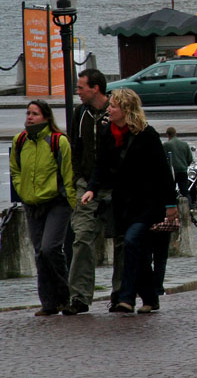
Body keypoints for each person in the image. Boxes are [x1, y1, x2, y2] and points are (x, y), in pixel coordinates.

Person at [82, 89, 178, 314]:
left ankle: (126, 298)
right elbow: (101, 165)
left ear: (126, 109)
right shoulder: (108, 132)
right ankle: (150, 297)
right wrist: (92, 189)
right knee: (139, 251)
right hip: (123, 203)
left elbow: (163, 172)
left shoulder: (147, 134)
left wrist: (170, 205)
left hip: (147, 203)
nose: (109, 109)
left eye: (113, 106)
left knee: (132, 242)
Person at [10, 100, 75, 315]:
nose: (30, 117)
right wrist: (22, 190)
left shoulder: (58, 141)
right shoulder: (20, 141)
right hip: (32, 204)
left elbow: (68, 174)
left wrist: (73, 203)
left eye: (35, 113)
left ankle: (65, 297)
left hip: (56, 202)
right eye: (28, 113)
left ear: (45, 117)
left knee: (50, 248)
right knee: (39, 253)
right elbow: (15, 170)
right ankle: (48, 303)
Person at [65, 69, 112, 315]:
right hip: (86, 184)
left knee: (123, 239)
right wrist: (76, 180)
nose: (78, 92)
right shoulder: (80, 113)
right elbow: (75, 147)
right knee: (81, 237)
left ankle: (122, 295)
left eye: (81, 87)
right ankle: (79, 297)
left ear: (95, 88)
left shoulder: (116, 109)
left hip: (115, 185)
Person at [163, 126, 193, 200]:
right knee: (185, 191)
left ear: (167, 135)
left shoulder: (166, 145)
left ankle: (174, 206)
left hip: (172, 172)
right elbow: (190, 158)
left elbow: (163, 159)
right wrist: (185, 165)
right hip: (183, 170)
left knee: (170, 191)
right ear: (175, 133)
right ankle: (189, 207)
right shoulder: (184, 144)